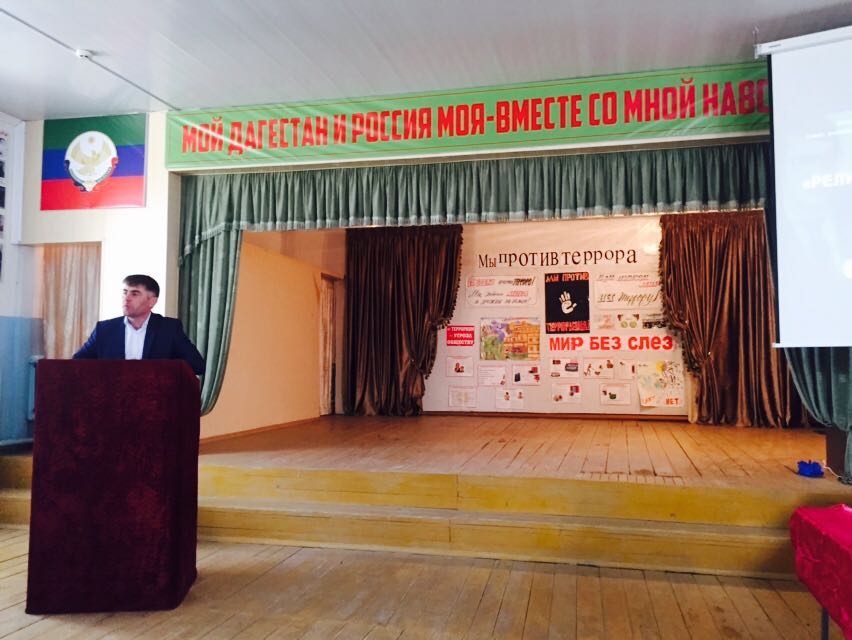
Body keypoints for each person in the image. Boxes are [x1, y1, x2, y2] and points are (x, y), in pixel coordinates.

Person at [73, 274, 205, 375]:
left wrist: (157, 371)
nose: (127, 298)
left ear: (152, 301)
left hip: (155, 398)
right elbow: (77, 364)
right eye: (125, 292)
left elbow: (197, 365)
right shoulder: (105, 329)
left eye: (134, 294)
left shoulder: (169, 328)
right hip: (112, 398)